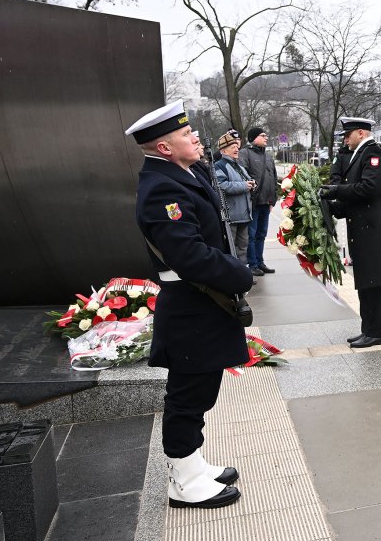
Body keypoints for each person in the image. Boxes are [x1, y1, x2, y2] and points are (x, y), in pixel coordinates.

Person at [128, 100, 251, 509]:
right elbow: (189, 255)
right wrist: (238, 273)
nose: (195, 137)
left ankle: (193, 465)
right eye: (185, 134)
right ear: (164, 148)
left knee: (200, 391)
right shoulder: (162, 188)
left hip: (202, 305)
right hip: (190, 305)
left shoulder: (181, 173)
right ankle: (183, 480)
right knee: (187, 396)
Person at [321, 117, 381, 348]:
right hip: (365, 228)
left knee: (375, 284)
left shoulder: (373, 153)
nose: (345, 140)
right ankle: (368, 329)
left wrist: (336, 190)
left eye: (348, 135)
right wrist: (334, 207)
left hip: (374, 230)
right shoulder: (361, 153)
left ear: (361, 133)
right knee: (366, 283)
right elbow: (357, 197)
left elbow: (368, 189)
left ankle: (377, 332)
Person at [238, 126, 278, 275]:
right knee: (252, 235)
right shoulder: (245, 153)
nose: (266, 137)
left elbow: (273, 177)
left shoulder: (268, 156)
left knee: (262, 234)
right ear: (254, 138)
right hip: (253, 202)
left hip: (266, 202)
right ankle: (252, 264)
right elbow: (243, 174)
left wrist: (273, 199)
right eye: (263, 135)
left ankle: (260, 262)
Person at [214, 130, 254, 273]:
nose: (237, 149)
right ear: (223, 150)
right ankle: (234, 275)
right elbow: (221, 186)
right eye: (233, 147)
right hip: (231, 216)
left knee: (243, 247)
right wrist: (244, 186)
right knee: (232, 248)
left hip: (243, 215)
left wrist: (251, 183)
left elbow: (245, 181)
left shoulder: (239, 166)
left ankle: (244, 274)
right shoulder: (219, 166)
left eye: (237, 147)